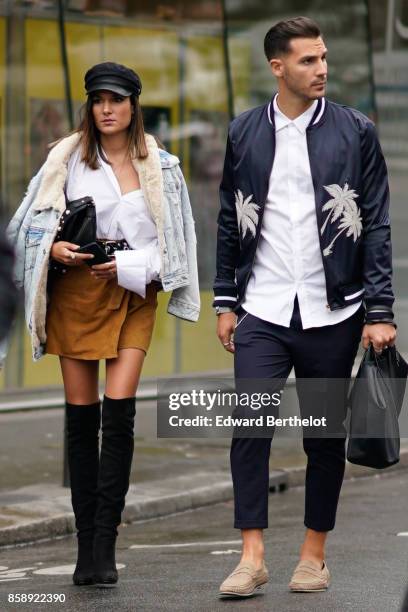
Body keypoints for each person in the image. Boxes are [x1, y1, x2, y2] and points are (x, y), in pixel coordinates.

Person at [214, 17, 396, 596]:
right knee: (251, 427)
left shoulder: (356, 130)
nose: (321, 69)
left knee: (323, 437)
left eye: (323, 59)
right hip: (263, 308)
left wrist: (379, 310)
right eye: (307, 61)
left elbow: (377, 224)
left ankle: (313, 555)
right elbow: (228, 218)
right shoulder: (244, 131)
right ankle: (251, 557)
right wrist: (225, 300)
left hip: (332, 310)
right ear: (277, 67)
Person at [2, 61, 200, 587]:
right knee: (81, 422)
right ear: (89, 106)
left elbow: (175, 249)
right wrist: (57, 249)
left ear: (134, 104)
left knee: (120, 416)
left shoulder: (163, 166)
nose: (107, 109)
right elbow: (27, 231)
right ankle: (85, 544)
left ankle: (106, 541)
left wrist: (134, 266)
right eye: (97, 100)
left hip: (133, 291)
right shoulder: (65, 160)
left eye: (116, 99)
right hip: (76, 293)